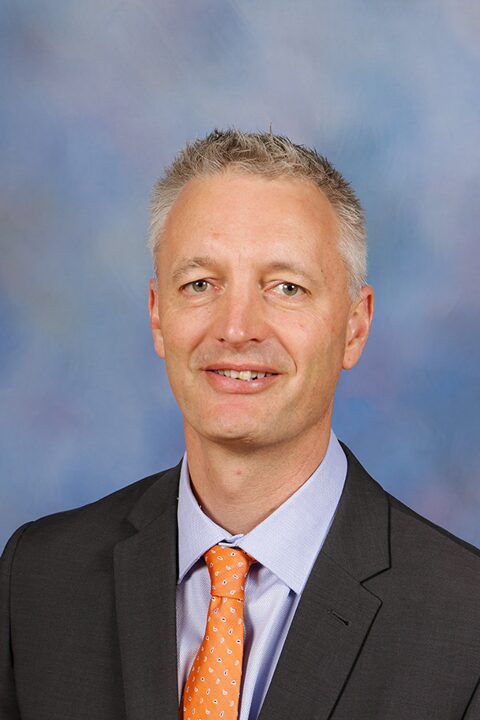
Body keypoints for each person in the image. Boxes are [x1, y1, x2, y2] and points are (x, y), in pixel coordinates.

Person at [1, 129, 479, 720]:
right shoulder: (36, 579)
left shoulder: (466, 624)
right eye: (200, 284)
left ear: (355, 327)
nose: (236, 328)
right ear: (157, 314)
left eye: (286, 287)